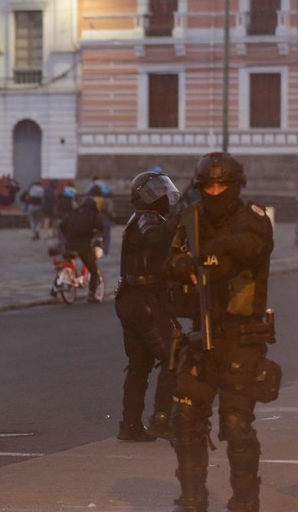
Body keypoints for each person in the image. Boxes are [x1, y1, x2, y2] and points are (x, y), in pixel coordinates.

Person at [164, 152, 277, 512]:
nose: (215, 192)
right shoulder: (191, 221)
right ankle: (192, 498)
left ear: (235, 187)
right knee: (184, 419)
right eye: (208, 185)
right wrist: (184, 265)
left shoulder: (253, 218)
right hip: (201, 333)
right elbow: (172, 259)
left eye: (221, 185)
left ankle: (245, 501)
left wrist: (214, 253)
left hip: (241, 337)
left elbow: (253, 245)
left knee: (236, 425)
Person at [114, 171, 182, 442]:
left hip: (131, 298)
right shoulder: (148, 219)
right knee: (173, 358)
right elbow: (154, 238)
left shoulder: (138, 219)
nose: (166, 197)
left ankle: (130, 425)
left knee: (139, 364)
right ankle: (161, 419)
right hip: (145, 299)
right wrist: (178, 222)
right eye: (160, 192)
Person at [59, 196, 104, 303]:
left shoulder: (74, 212)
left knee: (70, 259)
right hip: (84, 246)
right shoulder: (93, 215)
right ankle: (92, 295)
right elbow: (100, 227)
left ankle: (71, 278)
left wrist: (68, 235)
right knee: (93, 270)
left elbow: (62, 225)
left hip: (69, 244)